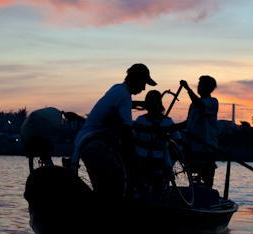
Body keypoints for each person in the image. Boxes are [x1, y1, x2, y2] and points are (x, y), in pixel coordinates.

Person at [70, 63, 156, 195]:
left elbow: (117, 105)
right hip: (95, 143)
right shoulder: (124, 96)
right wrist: (136, 158)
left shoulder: (117, 89)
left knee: (103, 187)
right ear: (137, 80)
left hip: (83, 142)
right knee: (115, 183)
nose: (144, 88)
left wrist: (139, 104)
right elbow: (127, 128)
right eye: (144, 83)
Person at [133, 90, 179, 197]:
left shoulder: (167, 121)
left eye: (154, 102)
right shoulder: (141, 120)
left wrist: (170, 161)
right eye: (149, 102)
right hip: (141, 159)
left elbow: (177, 142)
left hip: (160, 160)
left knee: (159, 187)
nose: (152, 105)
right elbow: (134, 139)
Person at [180, 76, 219, 188]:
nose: (199, 87)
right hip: (192, 146)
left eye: (201, 85)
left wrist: (187, 89)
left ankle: (206, 194)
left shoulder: (212, 102)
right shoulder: (193, 104)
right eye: (199, 84)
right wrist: (171, 127)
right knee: (192, 173)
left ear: (208, 88)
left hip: (207, 146)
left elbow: (200, 106)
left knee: (206, 175)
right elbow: (187, 123)